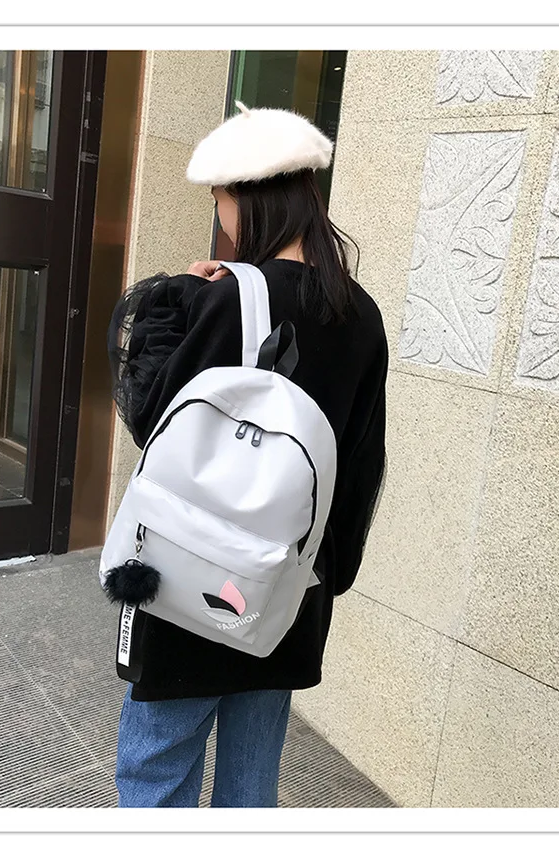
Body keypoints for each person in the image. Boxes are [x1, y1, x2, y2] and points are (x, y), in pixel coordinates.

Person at [106, 101, 388, 808]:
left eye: (220, 199)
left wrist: (177, 303)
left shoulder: (227, 299)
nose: (222, 216)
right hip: (288, 588)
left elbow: (154, 420)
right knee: (251, 784)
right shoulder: (362, 315)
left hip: (194, 575)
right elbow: (361, 465)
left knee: (155, 771)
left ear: (250, 196)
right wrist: (323, 575)